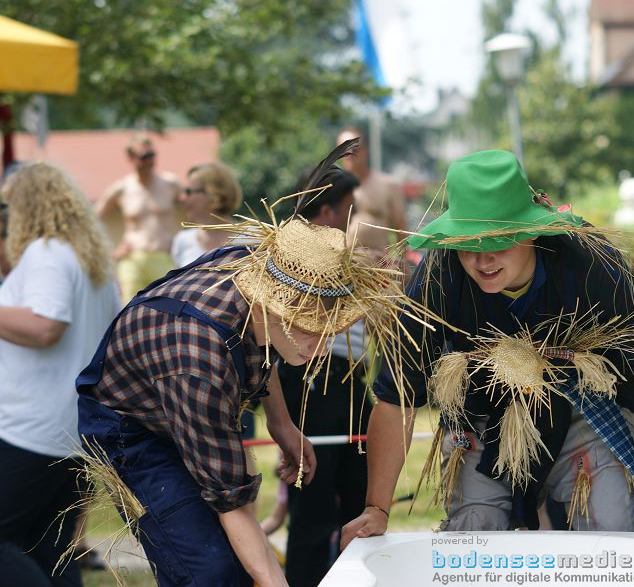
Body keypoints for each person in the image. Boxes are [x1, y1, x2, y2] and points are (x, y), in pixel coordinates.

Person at [75, 141, 434, 587]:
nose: (321, 350)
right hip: (133, 425)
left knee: (232, 561)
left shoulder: (263, 279)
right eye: (312, 330)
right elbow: (230, 501)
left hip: (189, 393)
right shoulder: (198, 361)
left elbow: (257, 350)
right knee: (210, 570)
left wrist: (282, 425)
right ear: (275, 309)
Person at [342, 150, 634, 551]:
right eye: (469, 243)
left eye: (500, 240)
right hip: (482, 414)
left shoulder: (589, 264)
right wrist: (378, 507)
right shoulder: (439, 275)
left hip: (583, 405)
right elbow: (396, 400)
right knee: (472, 537)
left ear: (531, 231)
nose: (483, 258)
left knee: (611, 529)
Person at [0, 163, 120, 586]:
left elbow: (45, 325)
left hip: (29, 431)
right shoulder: (92, 261)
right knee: (52, 551)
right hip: (72, 431)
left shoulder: (46, 252)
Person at [277, 166, 371, 586]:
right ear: (329, 210)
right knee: (314, 501)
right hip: (315, 377)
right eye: (349, 209)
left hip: (347, 377)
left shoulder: (341, 254)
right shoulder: (298, 253)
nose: (354, 219)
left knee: (359, 490)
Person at [95, 132, 180, 303]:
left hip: (164, 256)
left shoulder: (170, 184)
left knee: (169, 308)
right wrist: (110, 253)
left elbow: (198, 209)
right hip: (132, 258)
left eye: (152, 155)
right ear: (131, 158)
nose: (150, 160)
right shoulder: (121, 189)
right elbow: (91, 220)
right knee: (129, 309)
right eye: (144, 156)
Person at [335, 127, 406, 252]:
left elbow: (401, 231)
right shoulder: (332, 188)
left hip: (376, 268)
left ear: (365, 151)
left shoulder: (388, 185)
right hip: (340, 267)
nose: (350, 153)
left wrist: (402, 262)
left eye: (355, 148)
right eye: (343, 150)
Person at [171, 162, 244, 266]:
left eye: (188, 191)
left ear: (214, 194)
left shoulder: (253, 239)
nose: (182, 199)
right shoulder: (182, 241)